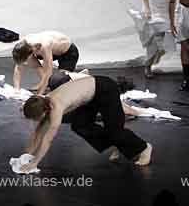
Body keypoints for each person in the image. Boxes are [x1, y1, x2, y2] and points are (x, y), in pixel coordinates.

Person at [18, 73, 152, 173]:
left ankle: (144, 148)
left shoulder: (56, 108)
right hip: (90, 98)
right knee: (80, 125)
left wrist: (34, 163)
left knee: (115, 131)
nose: (36, 121)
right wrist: (26, 156)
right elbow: (37, 133)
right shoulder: (44, 103)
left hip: (105, 89)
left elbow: (47, 139)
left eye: (36, 118)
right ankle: (116, 144)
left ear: (43, 111)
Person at [134, 0, 179, 77]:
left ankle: (153, 60)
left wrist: (174, 13)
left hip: (166, 7)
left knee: (168, 38)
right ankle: (148, 65)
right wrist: (147, 8)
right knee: (153, 37)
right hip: (153, 4)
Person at [11, 30, 79, 94]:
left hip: (68, 52)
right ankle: (44, 85)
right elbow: (18, 67)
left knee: (59, 81)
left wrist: (39, 94)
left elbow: (49, 71)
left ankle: (80, 76)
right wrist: (17, 90)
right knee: (32, 61)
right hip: (49, 50)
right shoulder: (22, 45)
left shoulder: (45, 45)